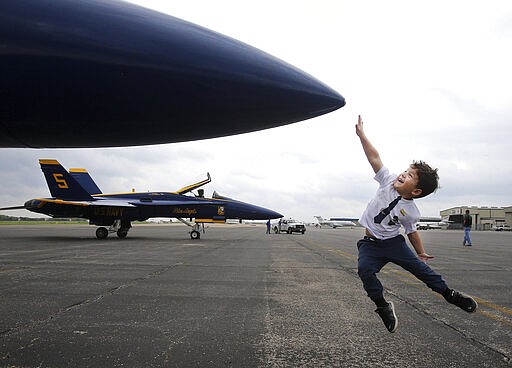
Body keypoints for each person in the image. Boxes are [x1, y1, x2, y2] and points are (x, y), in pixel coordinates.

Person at [355, 115, 477, 333]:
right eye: (406, 170)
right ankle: (383, 307)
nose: (403, 174)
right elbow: (374, 157)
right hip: (370, 244)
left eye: (409, 175)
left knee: (422, 271)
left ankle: (449, 294)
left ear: (416, 191)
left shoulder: (411, 212)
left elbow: (411, 232)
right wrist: (362, 135)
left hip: (394, 243)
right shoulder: (387, 181)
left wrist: (421, 253)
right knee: (365, 271)